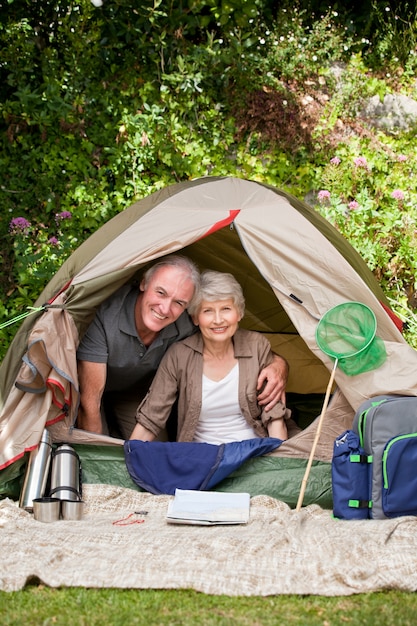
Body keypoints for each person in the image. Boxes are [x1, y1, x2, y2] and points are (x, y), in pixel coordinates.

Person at [77, 257, 288, 440]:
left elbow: (239, 345)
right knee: (99, 439)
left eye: (179, 302)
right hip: (95, 390)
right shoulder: (106, 316)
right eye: (160, 292)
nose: (165, 308)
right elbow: (90, 400)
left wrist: (279, 364)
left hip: (139, 393)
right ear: (143, 283)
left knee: (152, 450)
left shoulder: (187, 324)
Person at [130, 270, 291, 444]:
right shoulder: (179, 355)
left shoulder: (256, 345)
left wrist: (277, 463)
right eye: (207, 311)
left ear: (240, 313)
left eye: (226, 309)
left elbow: (274, 416)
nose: (218, 320)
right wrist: (129, 458)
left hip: (254, 451)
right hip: (202, 458)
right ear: (195, 318)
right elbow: (151, 417)